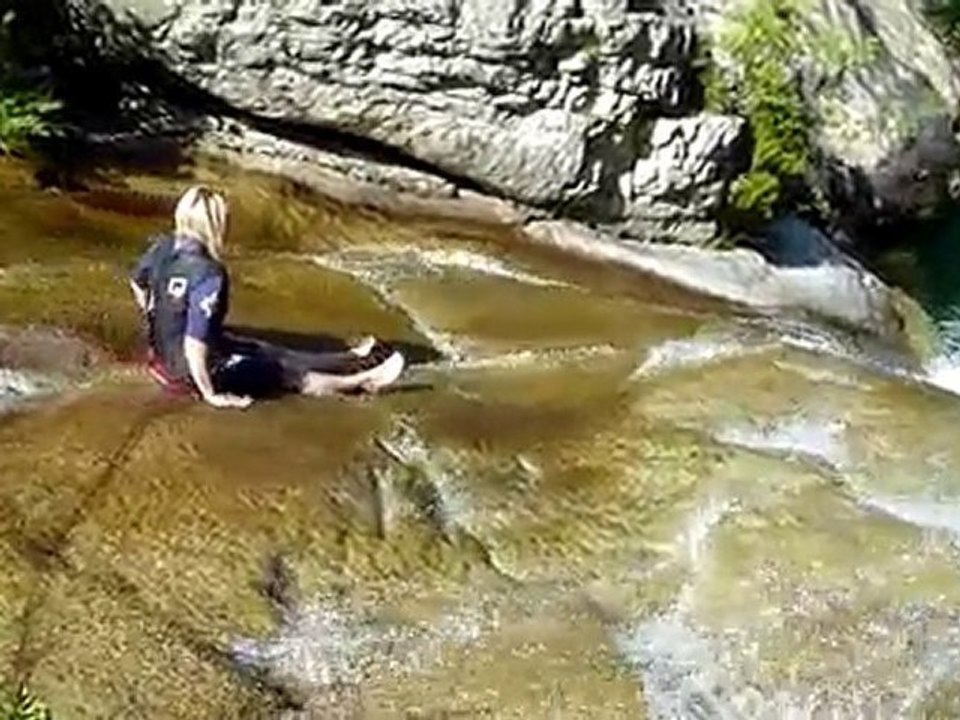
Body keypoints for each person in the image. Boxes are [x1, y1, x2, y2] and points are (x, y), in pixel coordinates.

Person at [128, 185, 405, 409]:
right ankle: (364, 380)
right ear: (212, 224)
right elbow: (193, 344)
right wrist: (211, 394)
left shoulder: (163, 247)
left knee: (263, 349)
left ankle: (349, 357)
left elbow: (137, 282)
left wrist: (155, 319)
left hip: (160, 359)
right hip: (188, 374)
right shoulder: (210, 275)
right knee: (286, 373)